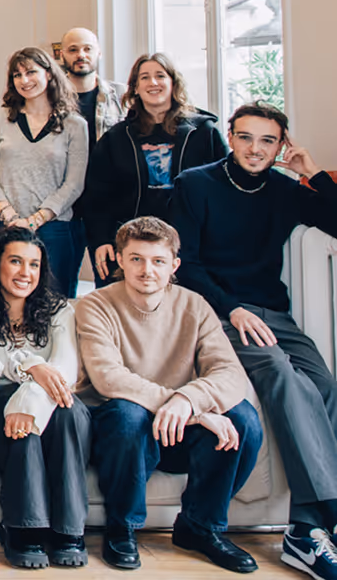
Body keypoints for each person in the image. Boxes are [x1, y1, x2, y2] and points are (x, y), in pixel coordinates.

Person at [169, 103, 337, 575]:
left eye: (267, 141)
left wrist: (314, 175)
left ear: (281, 145)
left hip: (272, 311)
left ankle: (305, 527)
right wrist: (230, 307)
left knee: (323, 382)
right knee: (281, 372)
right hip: (219, 312)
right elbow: (188, 266)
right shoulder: (195, 184)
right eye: (245, 137)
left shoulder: (285, 189)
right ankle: (321, 519)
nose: (255, 149)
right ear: (230, 136)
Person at [76, 216, 262, 573]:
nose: (148, 270)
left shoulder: (195, 306)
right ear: (119, 259)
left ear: (174, 264)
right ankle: (122, 528)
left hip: (175, 432)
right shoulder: (95, 304)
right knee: (127, 413)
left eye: (158, 261)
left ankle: (199, 527)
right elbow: (108, 378)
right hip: (120, 437)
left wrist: (187, 401)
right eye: (136, 259)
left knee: (244, 420)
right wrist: (185, 407)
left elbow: (229, 372)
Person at [0, 225, 89, 569]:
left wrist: (28, 400)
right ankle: (25, 528)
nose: (26, 273)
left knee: (68, 409)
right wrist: (34, 367)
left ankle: (69, 531)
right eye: (16, 261)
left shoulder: (60, 311)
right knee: (18, 423)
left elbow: (63, 368)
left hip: (51, 402)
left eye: (34, 265)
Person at [83, 53, 228, 284]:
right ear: (135, 88)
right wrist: (100, 239)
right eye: (145, 78)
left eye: (160, 76)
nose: (153, 83)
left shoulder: (204, 133)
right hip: (132, 244)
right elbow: (96, 197)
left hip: (191, 244)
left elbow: (224, 189)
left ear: (173, 83)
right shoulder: (116, 138)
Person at [0, 48, 89, 297]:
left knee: (53, 304)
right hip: (2, 223)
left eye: (31, 72)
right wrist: (8, 214)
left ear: (48, 74)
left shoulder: (75, 125)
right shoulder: (0, 118)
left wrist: (34, 220)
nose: (24, 80)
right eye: (17, 75)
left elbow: (74, 183)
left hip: (53, 228)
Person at [57, 27, 125, 144]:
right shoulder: (51, 97)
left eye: (87, 49)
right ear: (62, 55)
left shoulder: (121, 94)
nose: (81, 55)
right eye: (73, 50)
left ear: (99, 53)